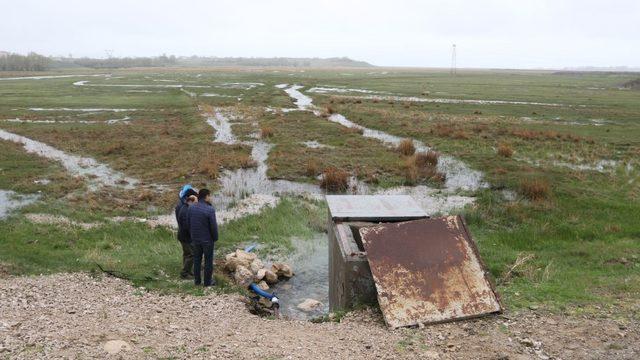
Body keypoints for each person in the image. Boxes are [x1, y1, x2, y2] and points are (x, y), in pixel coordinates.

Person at [187, 188, 218, 286]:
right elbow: (213, 226)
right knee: (208, 261)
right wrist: (215, 237)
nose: (210, 198)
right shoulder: (210, 209)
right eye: (210, 196)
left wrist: (192, 235)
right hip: (207, 240)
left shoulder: (191, 208)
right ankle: (207, 282)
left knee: (197, 260)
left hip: (195, 239)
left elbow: (188, 223)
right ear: (206, 196)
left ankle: (197, 282)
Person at [175, 185, 198, 279]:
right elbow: (186, 226)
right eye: (195, 200)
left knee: (186, 253)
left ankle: (187, 270)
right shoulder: (186, 209)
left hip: (182, 235)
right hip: (186, 236)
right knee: (191, 254)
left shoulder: (182, 205)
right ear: (190, 199)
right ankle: (184, 274)